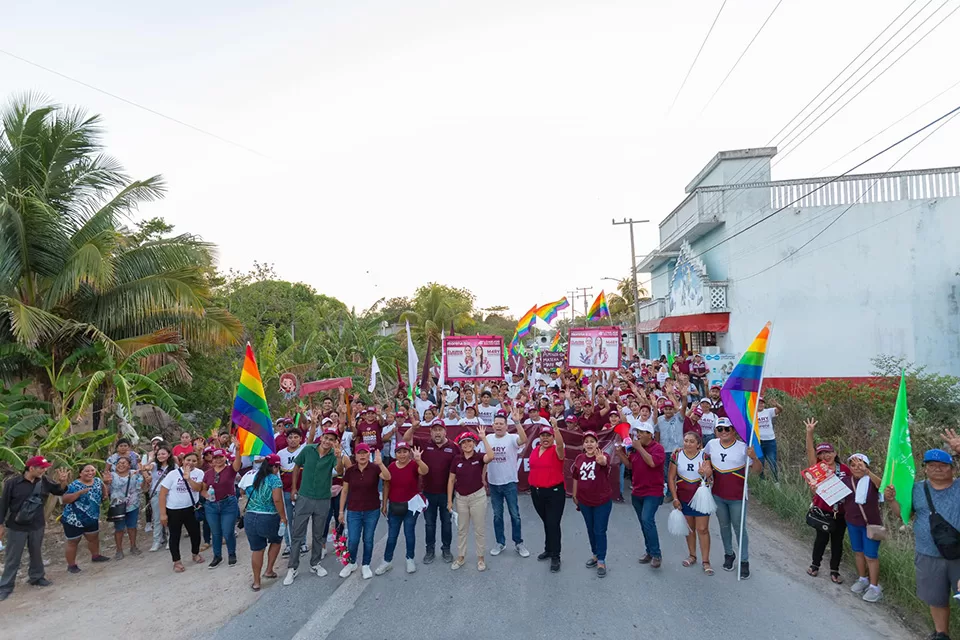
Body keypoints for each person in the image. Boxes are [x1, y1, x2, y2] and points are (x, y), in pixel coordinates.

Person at [885, 434, 960, 640]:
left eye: (943, 465)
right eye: (932, 464)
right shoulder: (917, 488)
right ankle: (941, 634)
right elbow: (906, 514)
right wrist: (891, 501)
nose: (937, 468)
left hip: (958, 556)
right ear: (925, 467)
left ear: (952, 468)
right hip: (927, 554)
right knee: (936, 598)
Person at [704, 417, 761, 579]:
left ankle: (744, 561)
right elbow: (705, 457)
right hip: (718, 494)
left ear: (733, 430)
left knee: (739, 528)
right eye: (719, 429)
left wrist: (755, 457)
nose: (723, 432)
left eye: (727, 429)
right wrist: (707, 467)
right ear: (716, 431)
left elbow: (757, 471)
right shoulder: (712, 444)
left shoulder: (744, 447)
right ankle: (729, 554)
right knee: (723, 526)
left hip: (737, 496)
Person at [284, 427, 341, 585]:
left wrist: (339, 457)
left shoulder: (333, 455)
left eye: (331, 439)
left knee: (318, 533)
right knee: (297, 533)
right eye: (326, 438)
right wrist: (294, 487)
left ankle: (315, 564)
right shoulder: (308, 449)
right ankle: (292, 567)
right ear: (321, 437)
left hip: (323, 498)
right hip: (305, 497)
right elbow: (296, 466)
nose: (328, 441)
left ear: (334, 442)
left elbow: (340, 470)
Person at [403, 419, 457, 563]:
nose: (437, 433)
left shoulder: (453, 447)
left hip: (447, 493)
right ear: (430, 432)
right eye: (434, 430)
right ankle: (430, 550)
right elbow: (406, 439)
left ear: (445, 431)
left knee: (446, 522)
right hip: (428, 492)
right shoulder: (423, 443)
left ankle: (446, 549)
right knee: (429, 523)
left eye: (440, 430)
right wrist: (413, 428)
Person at [804, 418, 849, 584]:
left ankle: (834, 571)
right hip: (823, 511)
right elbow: (809, 450)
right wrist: (810, 433)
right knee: (821, 540)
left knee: (838, 543)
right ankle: (815, 565)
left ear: (835, 453)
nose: (825, 456)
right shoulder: (817, 468)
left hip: (841, 513)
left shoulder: (845, 469)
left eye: (828, 452)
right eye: (821, 454)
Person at [481, 408, 531, 559]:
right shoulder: (488, 438)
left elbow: (524, 440)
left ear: (506, 425)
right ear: (493, 425)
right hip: (494, 483)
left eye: (501, 423)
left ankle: (518, 543)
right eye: (496, 423)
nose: (498, 426)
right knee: (497, 515)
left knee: (515, 515)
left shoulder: (512, 437)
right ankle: (500, 542)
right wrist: (483, 477)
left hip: (509, 482)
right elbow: (484, 459)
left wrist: (517, 422)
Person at [616, 423, 666, 569]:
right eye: (637, 432)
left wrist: (639, 448)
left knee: (647, 519)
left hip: (653, 491)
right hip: (637, 491)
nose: (638, 435)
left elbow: (651, 463)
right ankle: (649, 551)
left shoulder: (658, 448)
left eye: (641, 432)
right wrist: (620, 454)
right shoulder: (634, 448)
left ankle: (656, 554)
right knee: (644, 523)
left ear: (650, 434)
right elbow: (630, 465)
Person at [339, 444, 391, 580]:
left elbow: (387, 477)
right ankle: (351, 563)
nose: (362, 456)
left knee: (368, 539)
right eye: (359, 453)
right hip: (353, 510)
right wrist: (340, 511)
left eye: (365, 453)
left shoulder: (375, 468)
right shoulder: (350, 471)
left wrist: (380, 464)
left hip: (371, 510)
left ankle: (366, 564)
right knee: (353, 539)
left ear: (369, 454)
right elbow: (344, 491)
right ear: (355, 456)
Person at [376, 441, 428, 575]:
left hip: (411, 506)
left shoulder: (413, 465)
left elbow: (425, 471)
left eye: (405, 451)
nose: (402, 454)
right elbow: (386, 485)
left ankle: (410, 559)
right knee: (392, 535)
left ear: (409, 453)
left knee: (409, 533)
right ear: (395, 454)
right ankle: (387, 561)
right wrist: (384, 504)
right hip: (395, 506)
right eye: (399, 452)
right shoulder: (392, 466)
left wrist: (419, 460)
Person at [669, 432, 714, 575]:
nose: (688, 444)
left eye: (691, 441)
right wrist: (675, 498)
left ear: (698, 444)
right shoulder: (677, 456)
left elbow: (710, 476)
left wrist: (704, 473)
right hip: (684, 496)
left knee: (703, 529)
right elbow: (671, 478)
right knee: (689, 529)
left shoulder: (704, 457)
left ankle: (706, 560)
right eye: (686, 441)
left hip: (701, 497)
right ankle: (692, 555)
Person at [448, 429, 493, 571]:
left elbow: (490, 456)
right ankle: (461, 557)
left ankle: (480, 558)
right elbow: (451, 480)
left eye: (469, 441)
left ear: (474, 443)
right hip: (461, 498)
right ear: (460, 446)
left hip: (477, 497)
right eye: (463, 442)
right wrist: (450, 500)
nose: (467, 444)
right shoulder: (456, 459)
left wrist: (484, 438)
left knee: (479, 529)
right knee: (462, 529)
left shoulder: (479, 457)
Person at [241, 453, 287, 591]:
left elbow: (242, 491)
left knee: (257, 549)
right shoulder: (274, 480)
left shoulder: (250, 474)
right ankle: (269, 570)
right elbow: (277, 500)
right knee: (276, 540)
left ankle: (256, 581)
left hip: (250, 516)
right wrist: (283, 517)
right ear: (275, 467)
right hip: (269, 516)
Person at [843, 452, 884, 602]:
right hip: (852, 523)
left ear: (867, 466)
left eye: (860, 464)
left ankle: (874, 587)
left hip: (871, 525)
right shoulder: (846, 481)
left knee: (871, 556)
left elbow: (882, 485)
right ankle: (863, 579)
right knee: (858, 552)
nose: (856, 468)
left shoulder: (872, 481)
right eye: (853, 465)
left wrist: (867, 472)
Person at [572, 431, 612, 577]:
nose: (589, 444)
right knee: (590, 529)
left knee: (599, 530)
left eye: (592, 441)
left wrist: (601, 460)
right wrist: (575, 494)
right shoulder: (579, 458)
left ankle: (601, 559)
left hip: (602, 501)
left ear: (597, 443)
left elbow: (604, 462)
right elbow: (575, 477)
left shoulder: (603, 455)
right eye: (586, 441)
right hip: (584, 501)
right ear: (583, 444)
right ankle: (595, 554)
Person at [529, 419, 567, 573]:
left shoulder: (557, 450)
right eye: (543, 436)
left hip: (554, 492)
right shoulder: (535, 449)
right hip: (537, 491)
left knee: (553, 523)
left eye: (548, 436)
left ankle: (556, 555)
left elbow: (559, 444)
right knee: (546, 521)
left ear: (552, 437)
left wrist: (556, 429)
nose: (545, 438)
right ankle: (548, 549)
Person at [158, 451, 205, 573]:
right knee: (174, 536)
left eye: (194, 461)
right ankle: (177, 561)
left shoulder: (199, 473)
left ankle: (195, 553)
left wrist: (188, 478)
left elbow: (198, 488)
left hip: (191, 508)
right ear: (182, 460)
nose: (190, 463)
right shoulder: (173, 474)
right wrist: (163, 514)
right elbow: (162, 494)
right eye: (188, 460)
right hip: (174, 510)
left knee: (195, 533)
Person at [61, 464, 110, 574]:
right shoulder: (74, 485)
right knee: (73, 542)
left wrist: (106, 485)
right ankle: (71, 565)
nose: (90, 473)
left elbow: (104, 493)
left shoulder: (97, 481)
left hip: (92, 517)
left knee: (93, 538)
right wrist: (79, 493)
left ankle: (95, 556)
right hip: (73, 519)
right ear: (80, 473)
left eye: (92, 470)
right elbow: (65, 499)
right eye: (86, 471)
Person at [201, 444, 243, 568]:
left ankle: (231, 553)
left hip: (228, 504)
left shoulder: (230, 469)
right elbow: (203, 489)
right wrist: (206, 495)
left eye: (221, 457)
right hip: (212, 505)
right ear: (212, 459)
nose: (218, 460)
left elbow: (237, 462)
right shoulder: (208, 473)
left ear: (225, 457)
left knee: (228, 531)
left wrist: (238, 450)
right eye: (215, 458)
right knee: (216, 532)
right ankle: (217, 556)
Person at [277, 426, 307, 558]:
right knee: (287, 518)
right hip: (286, 491)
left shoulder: (304, 449)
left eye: (296, 437)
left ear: (300, 439)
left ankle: (302, 543)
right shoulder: (280, 454)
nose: (293, 440)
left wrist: (312, 425)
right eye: (290, 437)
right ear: (286, 439)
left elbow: (311, 438)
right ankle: (289, 544)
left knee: (301, 518)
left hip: (302, 490)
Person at [105, 456, 143, 559]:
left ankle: (133, 546)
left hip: (132, 504)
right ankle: (119, 550)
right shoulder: (111, 475)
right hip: (117, 506)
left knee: (132, 527)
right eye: (119, 463)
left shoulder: (134, 473)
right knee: (119, 528)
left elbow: (141, 486)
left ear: (129, 465)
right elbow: (105, 493)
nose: (121, 465)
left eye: (124, 463)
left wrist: (143, 475)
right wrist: (106, 483)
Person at [144, 443, 176, 552]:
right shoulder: (154, 465)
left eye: (163, 454)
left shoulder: (174, 467)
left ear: (168, 455)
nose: (161, 456)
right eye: (159, 454)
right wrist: (151, 460)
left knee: (170, 518)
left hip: (170, 494)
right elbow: (145, 468)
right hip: (156, 494)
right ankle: (156, 541)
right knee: (157, 518)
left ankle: (169, 539)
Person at [756, 396, 782, 481]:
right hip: (758, 441)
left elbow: (780, 409)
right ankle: (762, 480)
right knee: (760, 462)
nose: (761, 404)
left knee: (772, 461)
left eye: (762, 402)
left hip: (770, 441)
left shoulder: (768, 411)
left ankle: (776, 481)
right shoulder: (751, 413)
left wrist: (776, 404)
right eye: (759, 402)